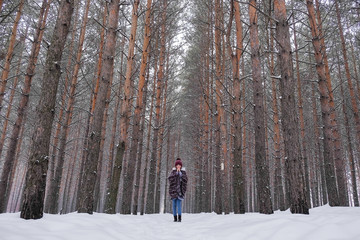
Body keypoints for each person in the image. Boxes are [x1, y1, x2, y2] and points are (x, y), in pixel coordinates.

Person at [168, 157, 188, 222]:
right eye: (177, 165)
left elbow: (185, 180)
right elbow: (170, 179)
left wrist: (181, 175)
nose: (178, 166)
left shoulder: (183, 172)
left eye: (179, 165)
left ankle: (179, 218)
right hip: (173, 191)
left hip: (180, 192)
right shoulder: (173, 172)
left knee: (179, 205)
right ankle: (175, 218)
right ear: (176, 166)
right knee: (174, 205)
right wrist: (175, 175)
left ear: (181, 166)